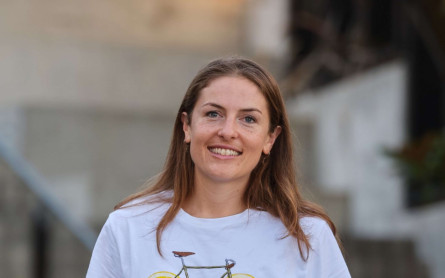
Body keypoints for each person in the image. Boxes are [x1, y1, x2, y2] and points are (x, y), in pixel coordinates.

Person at [86, 57, 351, 278]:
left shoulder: (308, 237)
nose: (227, 131)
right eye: (213, 114)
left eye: (248, 119)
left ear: (270, 138)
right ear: (187, 126)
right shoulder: (127, 227)